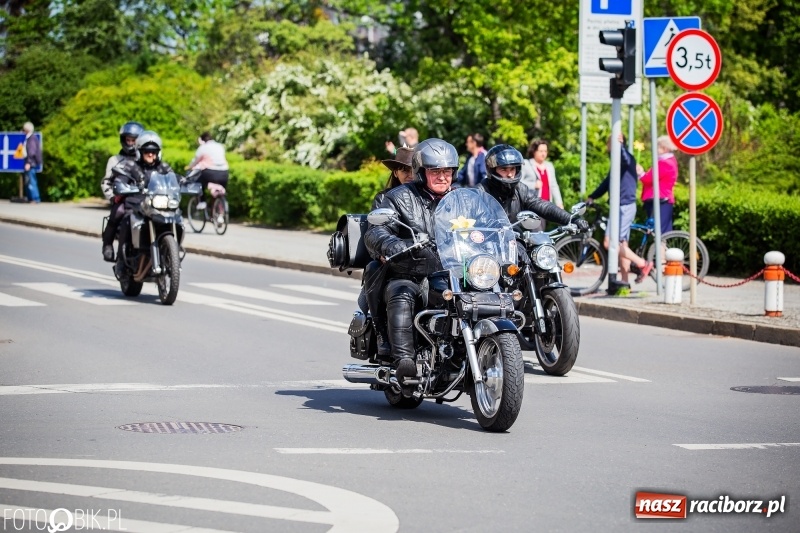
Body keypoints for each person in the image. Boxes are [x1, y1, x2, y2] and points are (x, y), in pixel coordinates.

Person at [364, 138, 457, 386]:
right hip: (412, 269)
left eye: (446, 171)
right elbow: (376, 230)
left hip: (454, 273)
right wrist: (393, 244)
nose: (442, 177)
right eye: (435, 171)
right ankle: (404, 360)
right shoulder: (398, 197)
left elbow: (486, 225)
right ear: (423, 172)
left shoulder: (462, 198)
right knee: (401, 291)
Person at [358, 147, 415, 357]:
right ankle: (381, 330)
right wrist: (385, 250)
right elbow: (375, 232)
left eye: (413, 170)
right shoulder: (385, 198)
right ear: (395, 173)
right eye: (403, 170)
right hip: (394, 257)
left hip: (427, 258)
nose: (409, 175)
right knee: (374, 267)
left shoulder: (430, 197)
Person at [587, 134, 653, 285]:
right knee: (622, 245)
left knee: (610, 243)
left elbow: (625, 158)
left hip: (624, 206)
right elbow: (607, 182)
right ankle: (624, 282)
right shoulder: (617, 163)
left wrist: (620, 146)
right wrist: (592, 196)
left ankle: (642, 264)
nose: (607, 146)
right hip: (620, 206)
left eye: (609, 142)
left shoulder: (626, 158)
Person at [478, 144, 588, 235]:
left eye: (512, 169)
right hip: (487, 242)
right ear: (492, 169)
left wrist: (571, 219)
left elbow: (543, 206)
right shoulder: (481, 191)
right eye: (504, 169)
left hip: (514, 240)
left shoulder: (520, 189)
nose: (510, 174)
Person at [111, 131, 175, 273]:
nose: (151, 155)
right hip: (136, 205)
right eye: (147, 152)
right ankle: (121, 260)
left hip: (158, 206)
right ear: (140, 151)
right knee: (127, 219)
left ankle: (173, 253)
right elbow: (121, 179)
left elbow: (175, 178)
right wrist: (121, 185)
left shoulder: (163, 167)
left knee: (177, 218)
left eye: (154, 152)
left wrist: (185, 182)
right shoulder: (131, 166)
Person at [100, 121, 144, 261]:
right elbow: (106, 182)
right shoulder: (115, 160)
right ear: (123, 140)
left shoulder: (144, 159)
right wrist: (113, 197)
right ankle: (107, 245)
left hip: (142, 199)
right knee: (118, 212)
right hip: (123, 199)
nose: (131, 143)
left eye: (134, 140)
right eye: (128, 140)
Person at [636, 135, 678, 234]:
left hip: (659, 200)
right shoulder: (669, 162)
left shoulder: (665, 163)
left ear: (664, 148)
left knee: (660, 234)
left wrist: (640, 173)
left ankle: (660, 249)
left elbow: (650, 179)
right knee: (661, 233)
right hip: (660, 199)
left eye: (657, 147)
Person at [186, 132, 229, 209]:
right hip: (224, 173)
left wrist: (189, 167)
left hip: (210, 172)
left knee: (198, 181)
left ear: (202, 140)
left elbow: (195, 161)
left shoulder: (203, 147)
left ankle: (202, 201)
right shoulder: (220, 146)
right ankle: (218, 213)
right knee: (219, 192)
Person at [520, 139, 563, 209]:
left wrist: (559, 202)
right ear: (534, 151)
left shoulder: (549, 166)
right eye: (541, 151)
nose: (543, 154)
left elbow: (554, 185)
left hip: (547, 205)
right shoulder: (526, 164)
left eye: (545, 151)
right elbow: (518, 182)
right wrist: (533, 185)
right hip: (532, 205)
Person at [22, 122, 41, 204]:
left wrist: (28, 162)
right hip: (31, 162)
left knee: (31, 181)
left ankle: (35, 198)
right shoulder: (31, 138)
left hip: (31, 163)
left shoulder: (31, 138)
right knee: (29, 180)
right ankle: (32, 198)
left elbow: (31, 152)